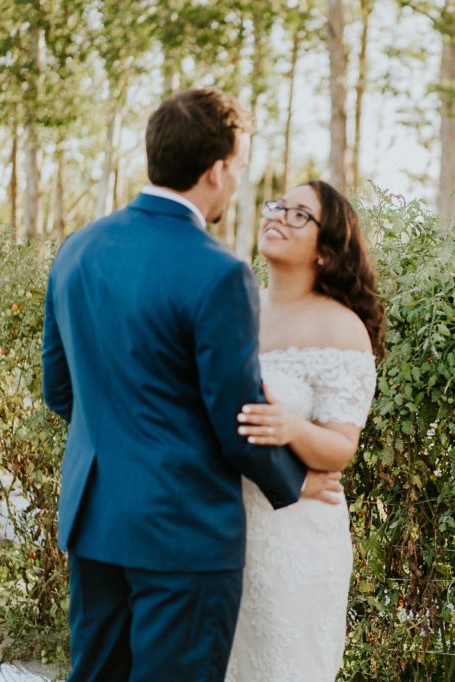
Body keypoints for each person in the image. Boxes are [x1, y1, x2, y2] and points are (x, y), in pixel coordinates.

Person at [41, 88, 342, 682]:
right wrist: (298, 478)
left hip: (95, 521)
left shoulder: (77, 249)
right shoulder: (218, 271)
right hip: (183, 536)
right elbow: (237, 422)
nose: (236, 185)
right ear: (217, 169)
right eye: (238, 169)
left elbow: (60, 390)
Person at [224, 180, 384, 681]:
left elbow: (340, 449)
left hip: (295, 540)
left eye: (299, 215)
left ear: (326, 250)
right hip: (225, 526)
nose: (278, 217)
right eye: (278, 206)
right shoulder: (237, 310)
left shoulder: (339, 328)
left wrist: (290, 426)